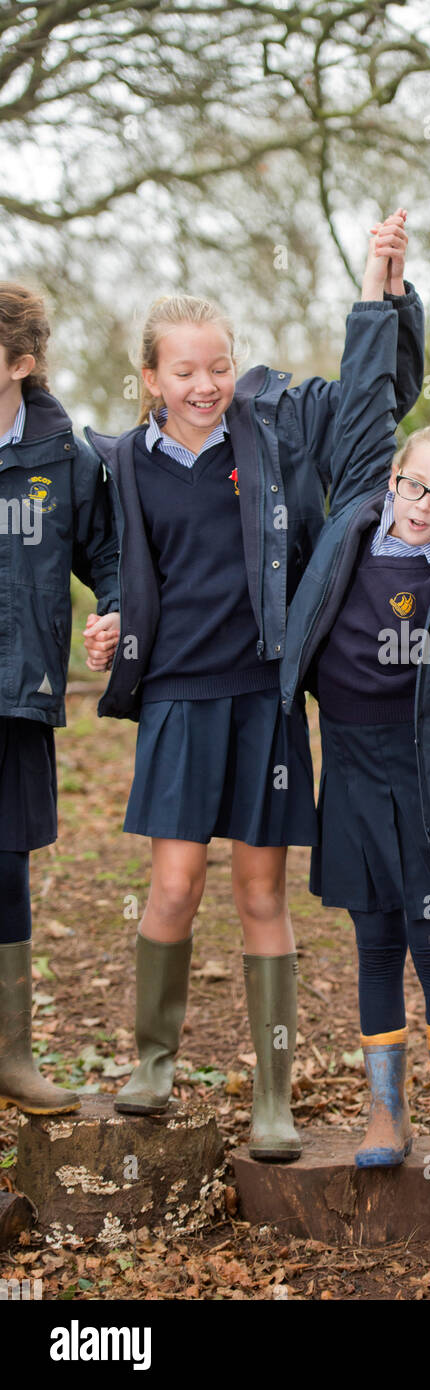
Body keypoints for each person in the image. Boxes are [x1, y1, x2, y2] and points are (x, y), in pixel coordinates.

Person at [82, 212, 424, 1158]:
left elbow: (370, 395)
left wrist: (378, 289)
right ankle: (154, 1063)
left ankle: (273, 1097)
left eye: (217, 365)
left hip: (265, 697)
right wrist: (112, 614)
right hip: (178, 700)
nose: (204, 384)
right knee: (178, 883)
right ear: (150, 377)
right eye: (184, 371)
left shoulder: (273, 427)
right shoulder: (118, 464)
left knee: (262, 895)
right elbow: (114, 562)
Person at [281, 396, 430, 1174]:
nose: (423, 506)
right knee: (374, 942)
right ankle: (384, 1112)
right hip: (347, 765)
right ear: (394, 477)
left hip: (424, 774)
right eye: (414, 485)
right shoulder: (348, 534)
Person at [0, 282, 119, 1115]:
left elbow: (108, 557)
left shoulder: (66, 458)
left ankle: (10, 1057)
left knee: (6, 866)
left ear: (21, 363)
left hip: (17, 694)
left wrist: (112, 611)